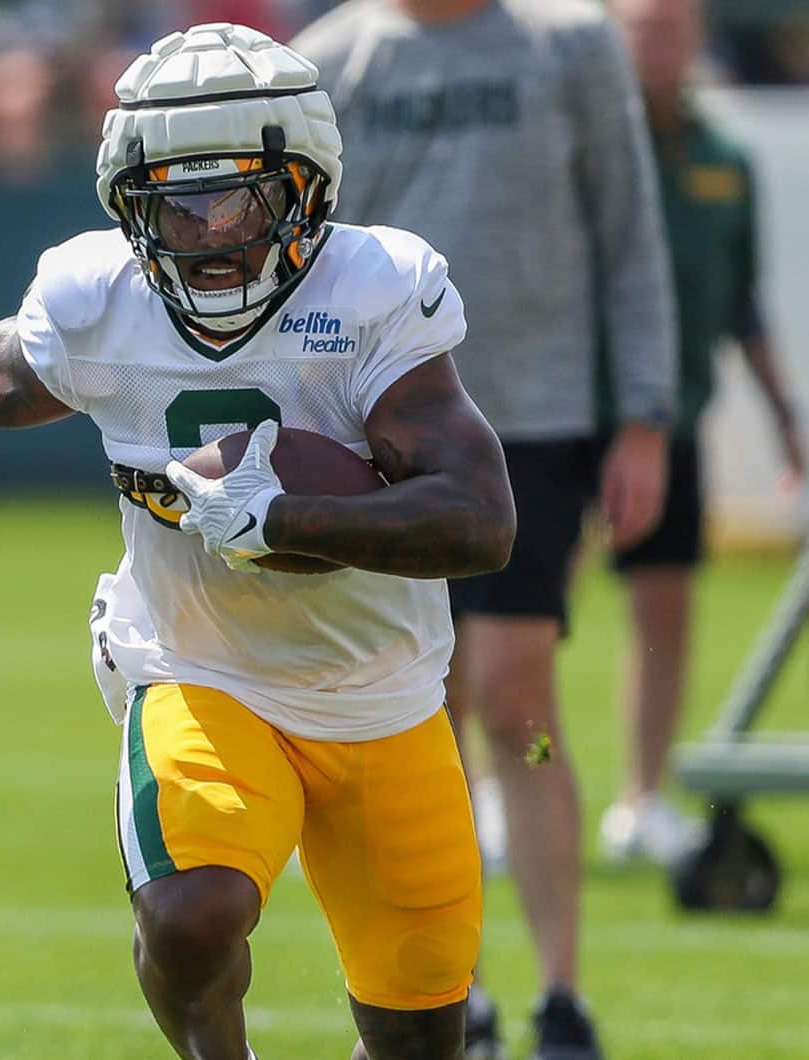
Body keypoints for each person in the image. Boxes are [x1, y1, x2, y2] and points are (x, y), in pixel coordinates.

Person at [0, 23, 514, 1060]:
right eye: (173, 201)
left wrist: (284, 520)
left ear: (305, 187)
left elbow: (481, 519)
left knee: (422, 1032)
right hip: (197, 666)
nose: (203, 230)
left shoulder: (374, 290)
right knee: (189, 913)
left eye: (233, 196)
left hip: (382, 688)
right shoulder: (96, 297)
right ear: (127, 203)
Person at [292, 2, 679, 1055]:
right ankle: (450, 992)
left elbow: (628, 229)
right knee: (427, 711)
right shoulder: (331, 58)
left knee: (521, 702)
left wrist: (645, 414)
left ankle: (563, 994)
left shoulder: (571, 43)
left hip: (534, 426)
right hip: (381, 431)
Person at [598, 0, 804, 866]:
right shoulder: (592, 149)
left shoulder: (724, 159)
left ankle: (640, 799)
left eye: (673, 28)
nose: (659, 44)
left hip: (673, 416)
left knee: (666, 608)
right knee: (522, 620)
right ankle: (499, 789)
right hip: (570, 418)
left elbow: (742, 300)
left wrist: (784, 414)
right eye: (645, 27)